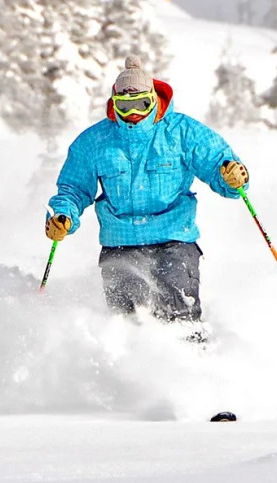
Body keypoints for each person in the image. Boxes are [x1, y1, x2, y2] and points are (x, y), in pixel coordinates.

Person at [45, 56, 250, 337]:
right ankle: (131, 372)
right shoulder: (93, 142)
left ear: (153, 99)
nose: (133, 114)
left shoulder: (181, 131)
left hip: (174, 236)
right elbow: (73, 189)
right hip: (121, 242)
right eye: (124, 106)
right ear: (113, 103)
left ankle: (192, 361)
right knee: (127, 317)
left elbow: (218, 162)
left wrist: (230, 174)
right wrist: (63, 215)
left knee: (176, 296)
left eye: (141, 104)